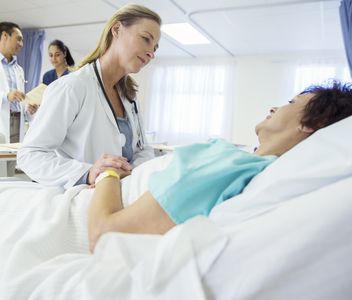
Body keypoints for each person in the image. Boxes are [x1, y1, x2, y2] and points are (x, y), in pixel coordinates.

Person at [87, 81, 352, 252]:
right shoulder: (243, 162)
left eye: (292, 102)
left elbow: (103, 235)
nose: (275, 107)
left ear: (310, 123)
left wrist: (108, 173)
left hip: (78, 211)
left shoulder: (233, 165)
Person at [17, 4, 160, 189]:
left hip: (122, 194)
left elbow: (143, 149)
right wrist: (88, 173)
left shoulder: (130, 97)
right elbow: (30, 154)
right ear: (116, 29)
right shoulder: (72, 87)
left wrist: (132, 173)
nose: (151, 53)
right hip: (81, 198)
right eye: (146, 39)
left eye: (155, 48)